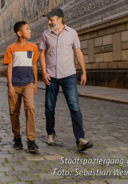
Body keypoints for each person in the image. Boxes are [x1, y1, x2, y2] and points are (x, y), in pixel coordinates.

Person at [39, 8, 93, 152]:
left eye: (51, 19)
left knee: (74, 107)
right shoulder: (46, 35)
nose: (49, 22)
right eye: (48, 20)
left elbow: (78, 53)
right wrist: (43, 72)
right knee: (49, 108)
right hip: (51, 76)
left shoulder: (72, 33)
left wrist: (84, 72)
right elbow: (42, 54)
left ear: (60, 19)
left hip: (68, 76)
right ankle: (50, 133)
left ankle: (80, 139)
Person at [3, 21, 40, 153]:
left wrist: (35, 82)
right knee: (14, 112)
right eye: (27, 29)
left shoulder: (33, 47)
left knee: (30, 108)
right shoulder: (11, 48)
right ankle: (17, 137)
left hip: (28, 83)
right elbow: (9, 67)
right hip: (15, 84)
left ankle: (31, 140)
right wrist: (10, 86)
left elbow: (34, 64)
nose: (30, 31)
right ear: (19, 33)